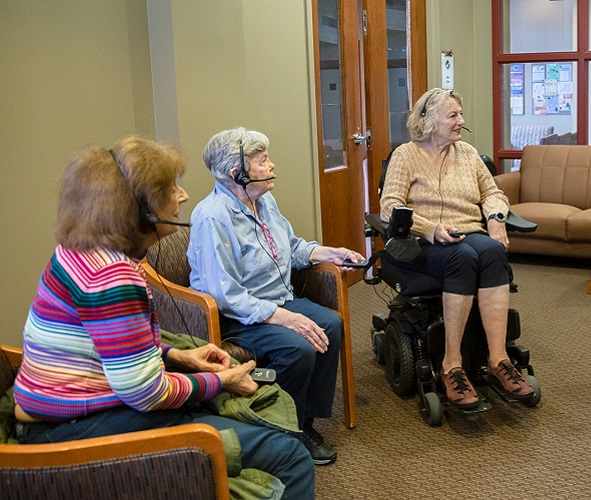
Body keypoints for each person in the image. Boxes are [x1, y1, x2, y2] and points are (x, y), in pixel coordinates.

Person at [13, 137, 314, 498]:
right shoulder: (112, 280)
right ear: (143, 211)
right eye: (172, 188)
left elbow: (112, 346)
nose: (183, 196)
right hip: (73, 429)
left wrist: (179, 357)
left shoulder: (82, 251)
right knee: (291, 455)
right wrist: (223, 381)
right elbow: (146, 392)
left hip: (69, 409)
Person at [187, 127, 364, 465]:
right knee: (298, 348)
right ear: (237, 173)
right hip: (237, 316)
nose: (271, 165)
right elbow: (223, 294)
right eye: (263, 161)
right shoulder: (212, 217)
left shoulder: (263, 201)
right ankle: (277, 431)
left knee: (330, 324)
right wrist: (284, 317)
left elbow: (290, 246)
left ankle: (302, 422)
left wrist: (328, 253)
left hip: (276, 299)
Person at [380, 88, 534, 410]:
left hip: (468, 229)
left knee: (492, 251)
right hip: (421, 243)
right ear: (428, 120)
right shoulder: (405, 156)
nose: (461, 121)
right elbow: (389, 207)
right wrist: (430, 228)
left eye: (460, 114)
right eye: (453, 116)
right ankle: (452, 364)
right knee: (462, 258)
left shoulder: (467, 153)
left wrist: (495, 218)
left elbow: (494, 193)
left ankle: (498, 359)